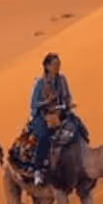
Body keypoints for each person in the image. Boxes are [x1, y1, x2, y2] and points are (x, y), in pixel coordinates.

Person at [29, 53, 76, 186]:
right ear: (47, 66)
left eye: (59, 64)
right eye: (55, 64)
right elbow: (33, 104)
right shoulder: (40, 84)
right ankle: (38, 170)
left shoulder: (62, 80)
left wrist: (68, 104)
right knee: (44, 136)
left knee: (78, 126)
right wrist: (46, 102)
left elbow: (67, 96)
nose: (58, 67)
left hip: (60, 113)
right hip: (42, 116)